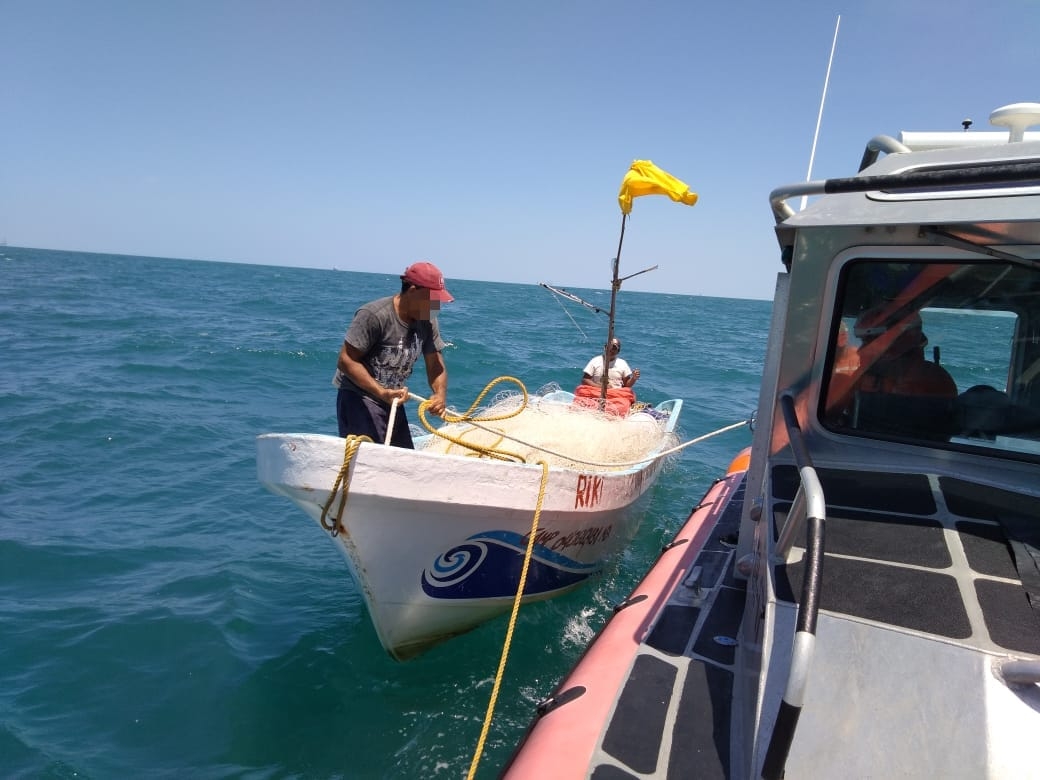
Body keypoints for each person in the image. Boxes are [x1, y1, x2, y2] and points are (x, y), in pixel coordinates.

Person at [333, 261, 453, 448]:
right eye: (432, 299)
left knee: (404, 462)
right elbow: (346, 360)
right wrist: (381, 392)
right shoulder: (373, 315)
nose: (436, 306)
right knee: (371, 461)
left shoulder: (428, 321)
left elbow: (435, 365)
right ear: (413, 291)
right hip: (359, 397)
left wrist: (439, 394)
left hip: (393, 399)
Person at [574, 337, 640, 415]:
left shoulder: (622, 363)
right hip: (596, 393)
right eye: (609, 346)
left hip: (616, 395)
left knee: (623, 406)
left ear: (618, 351)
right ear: (605, 347)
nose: (611, 349)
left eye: (614, 347)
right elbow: (585, 380)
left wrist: (634, 378)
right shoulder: (595, 361)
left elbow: (626, 385)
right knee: (581, 400)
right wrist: (600, 387)